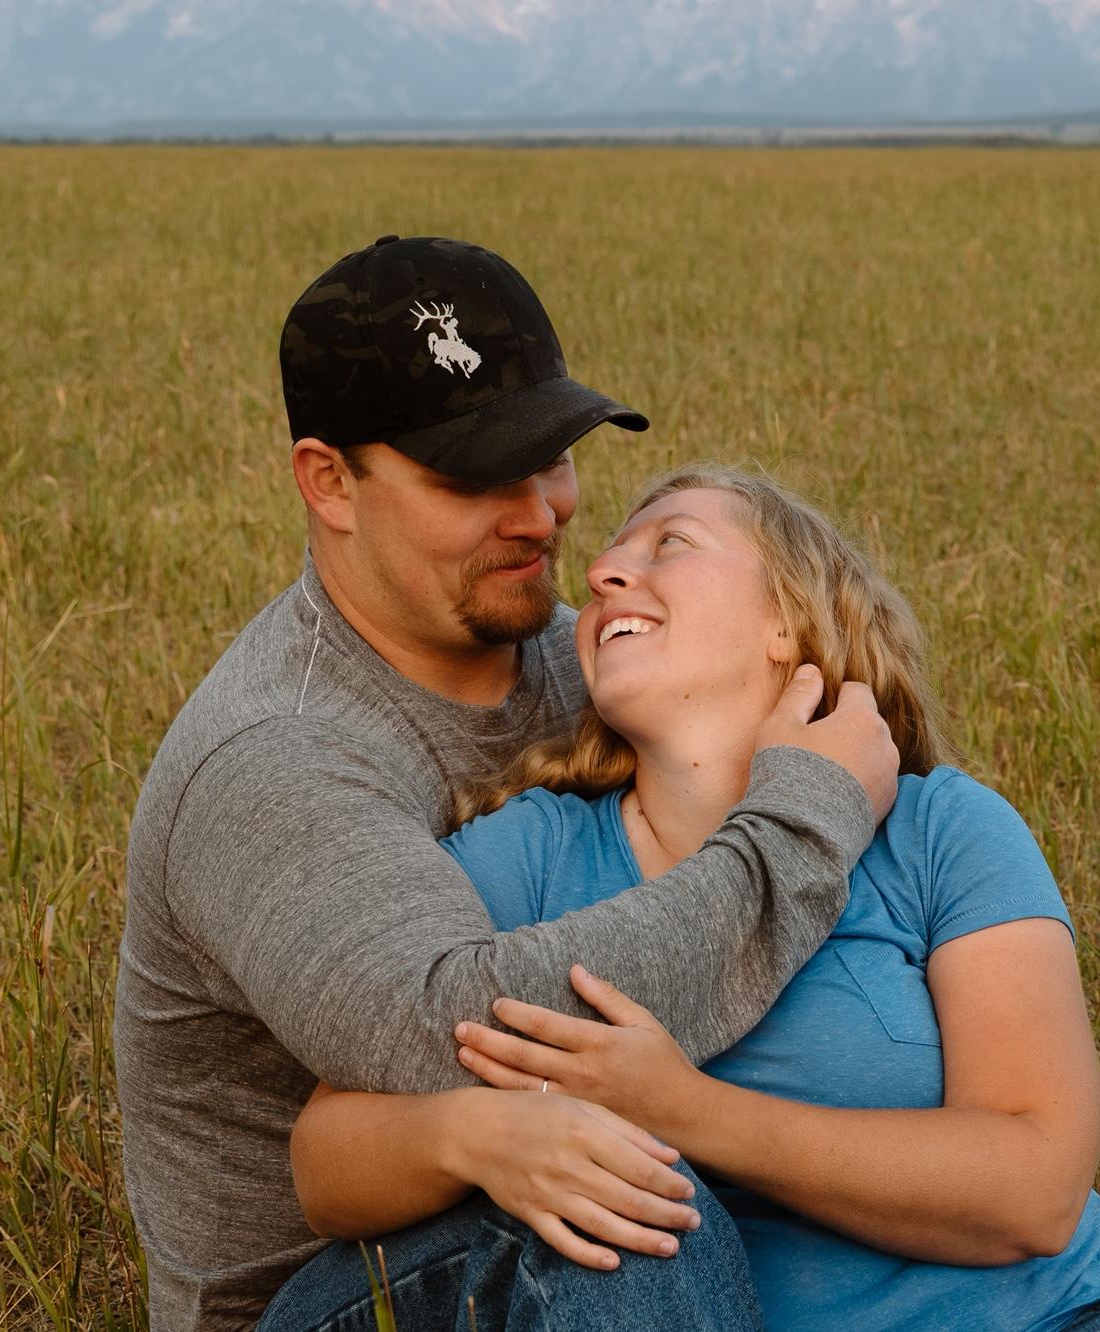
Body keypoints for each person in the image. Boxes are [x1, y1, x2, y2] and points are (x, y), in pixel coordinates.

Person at [292, 464, 1100, 1331]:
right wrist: (474, 1135)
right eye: (608, 560)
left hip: (1065, 1318)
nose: (601, 575)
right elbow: (329, 1156)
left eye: (670, 543)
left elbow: (1036, 1187)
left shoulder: (939, 830)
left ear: (788, 620)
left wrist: (686, 1110)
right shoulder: (533, 856)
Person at [113, 237, 901, 1331]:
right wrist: (803, 827)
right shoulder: (275, 756)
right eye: (474, 476)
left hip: (652, 1204)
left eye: (551, 457)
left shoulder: (591, 663)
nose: (538, 514)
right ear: (330, 482)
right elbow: (460, 1035)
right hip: (350, 1284)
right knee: (625, 1208)